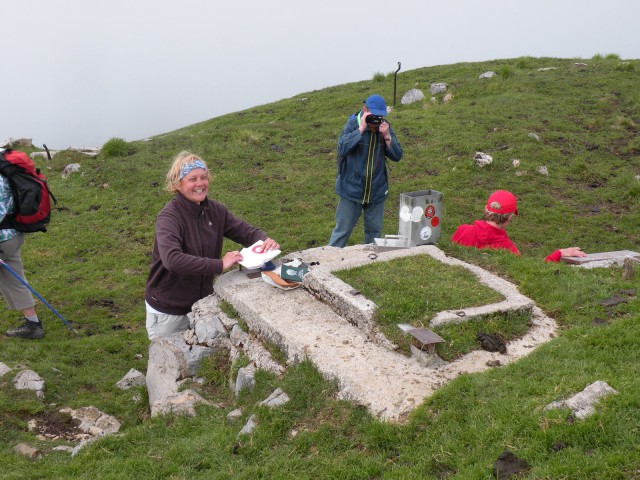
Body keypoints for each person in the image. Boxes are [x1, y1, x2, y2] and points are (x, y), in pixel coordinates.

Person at [145, 151, 280, 339]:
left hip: (201, 303)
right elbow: (172, 260)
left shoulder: (214, 210)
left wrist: (264, 241)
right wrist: (219, 264)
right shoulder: (169, 218)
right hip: (169, 310)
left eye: (203, 177)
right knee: (168, 363)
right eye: (192, 179)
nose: (200, 183)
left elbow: (245, 231)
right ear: (177, 184)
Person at [328, 94, 403, 247]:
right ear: (364, 110)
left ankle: (370, 262)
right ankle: (329, 259)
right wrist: (360, 130)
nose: (377, 119)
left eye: (380, 116)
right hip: (351, 190)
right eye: (373, 115)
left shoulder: (384, 127)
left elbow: (397, 156)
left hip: (376, 190)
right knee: (342, 231)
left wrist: (387, 136)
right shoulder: (353, 124)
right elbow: (342, 148)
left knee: (374, 232)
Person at [451, 190, 587, 262]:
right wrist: (559, 253)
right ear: (510, 217)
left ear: (486, 209)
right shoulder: (507, 249)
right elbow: (530, 272)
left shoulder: (462, 230)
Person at [0, 165, 44, 339]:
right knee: (14, 280)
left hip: (2, 239)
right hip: (12, 235)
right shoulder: (6, 172)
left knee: (13, 279)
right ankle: (33, 324)